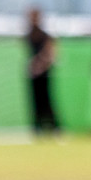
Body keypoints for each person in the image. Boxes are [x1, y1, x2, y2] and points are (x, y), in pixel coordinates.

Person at [26, 7, 59, 135]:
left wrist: (41, 65)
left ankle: (54, 127)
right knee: (35, 101)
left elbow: (51, 53)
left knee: (47, 100)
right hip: (33, 74)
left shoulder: (45, 36)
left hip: (44, 73)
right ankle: (37, 126)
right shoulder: (29, 35)